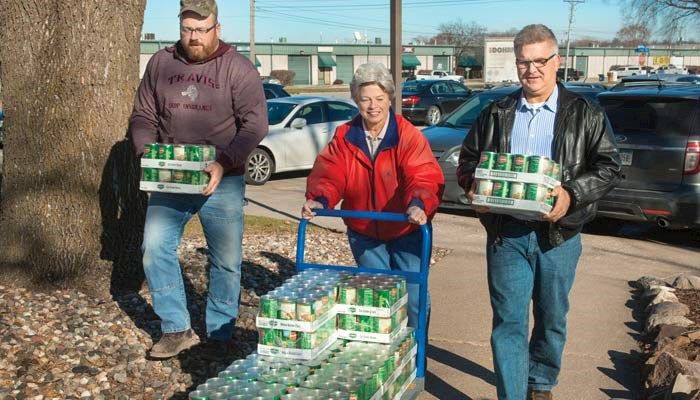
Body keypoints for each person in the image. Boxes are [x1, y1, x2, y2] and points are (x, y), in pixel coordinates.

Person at [456, 25, 621, 400]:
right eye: (523, 62)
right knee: (509, 323)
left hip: (559, 237)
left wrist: (571, 195)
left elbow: (609, 166)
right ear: (516, 64)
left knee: (551, 320)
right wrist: (475, 188)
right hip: (506, 235)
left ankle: (541, 382)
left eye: (540, 61)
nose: (532, 69)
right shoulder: (496, 112)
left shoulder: (584, 113)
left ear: (557, 62)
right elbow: (468, 161)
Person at [129, 0, 268, 359]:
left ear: (217, 29)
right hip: (171, 178)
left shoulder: (238, 69)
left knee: (226, 260)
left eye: (201, 30)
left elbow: (255, 125)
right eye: (187, 29)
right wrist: (148, 153)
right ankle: (176, 328)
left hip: (222, 179)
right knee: (154, 248)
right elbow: (144, 114)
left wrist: (224, 162)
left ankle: (220, 331)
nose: (193, 37)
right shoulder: (161, 63)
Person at [302, 63, 444, 330]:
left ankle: (416, 355)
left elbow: (423, 175)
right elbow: (330, 173)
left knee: (414, 296)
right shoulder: (345, 136)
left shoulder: (407, 135)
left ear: (389, 97)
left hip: (406, 228)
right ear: (356, 100)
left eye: (379, 98)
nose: (372, 106)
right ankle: (387, 354)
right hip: (365, 230)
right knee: (377, 298)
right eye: (365, 99)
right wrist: (320, 199)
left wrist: (418, 204)